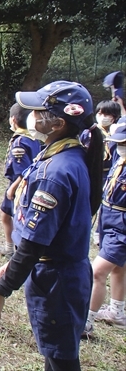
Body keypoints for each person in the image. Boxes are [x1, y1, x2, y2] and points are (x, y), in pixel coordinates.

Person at [0, 81, 104, 371]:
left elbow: (36, 242)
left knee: (62, 360)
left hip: (57, 282)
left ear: (58, 123)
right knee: (56, 356)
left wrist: (0, 291)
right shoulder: (64, 154)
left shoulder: (58, 172)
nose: (32, 117)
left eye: (38, 111)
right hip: (59, 273)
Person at [83, 117, 126, 336]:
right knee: (119, 269)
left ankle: (85, 322)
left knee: (96, 273)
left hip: (122, 231)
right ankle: (117, 312)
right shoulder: (120, 161)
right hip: (110, 223)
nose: (120, 147)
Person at [0, 104, 40, 257]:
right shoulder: (33, 138)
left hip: (19, 185)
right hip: (26, 184)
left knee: (15, 217)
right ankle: (11, 247)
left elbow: (24, 171)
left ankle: (15, 250)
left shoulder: (20, 142)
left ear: (13, 120)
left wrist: (12, 188)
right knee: (6, 215)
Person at [81, 100, 121, 245]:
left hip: (110, 175)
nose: (102, 116)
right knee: (89, 201)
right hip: (93, 172)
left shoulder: (118, 134)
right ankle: (86, 227)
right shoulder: (89, 133)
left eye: (106, 114)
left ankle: (100, 230)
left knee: (106, 202)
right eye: (99, 112)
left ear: (114, 116)